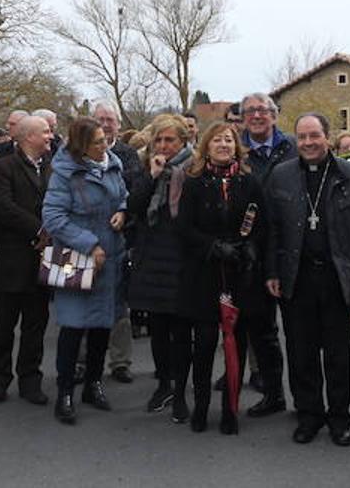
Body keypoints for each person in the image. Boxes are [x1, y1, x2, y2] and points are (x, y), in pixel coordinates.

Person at [264, 112, 350, 447]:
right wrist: (271, 271)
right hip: (297, 275)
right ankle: (309, 415)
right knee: (301, 352)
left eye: (314, 136)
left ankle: (339, 419)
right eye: (302, 137)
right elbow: (271, 229)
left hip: (337, 276)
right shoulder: (281, 176)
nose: (308, 143)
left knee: (338, 355)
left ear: (327, 137)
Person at [174, 122, 265, 434]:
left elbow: (260, 222)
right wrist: (213, 247)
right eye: (217, 140)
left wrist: (249, 247)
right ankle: (200, 406)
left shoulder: (248, 181)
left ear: (236, 145)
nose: (223, 145)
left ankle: (230, 409)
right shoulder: (195, 181)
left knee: (236, 343)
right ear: (207, 146)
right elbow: (184, 227)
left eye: (228, 140)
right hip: (204, 272)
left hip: (238, 272)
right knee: (205, 343)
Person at [43, 116, 128, 425]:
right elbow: (53, 217)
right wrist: (89, 243)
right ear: (81, 147)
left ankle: (94, 383)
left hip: (110, 259)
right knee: (73, 327)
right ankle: (65, 391)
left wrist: (122, 212)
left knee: (102, 326)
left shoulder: (113, 164)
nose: (103, 144)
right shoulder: (65, 172)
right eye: (96, 142)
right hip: (78, 259)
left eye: (104, 139)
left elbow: (123, 196)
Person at [128, 114, 194, 418]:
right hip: (151, 258)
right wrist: (152, 176)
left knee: (181, 330)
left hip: (182, 259)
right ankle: (163, 383)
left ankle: (180, 389)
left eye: (170, 140)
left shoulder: (194, 167)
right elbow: (134, 207)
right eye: (159, 140)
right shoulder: (145, 168)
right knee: (158, 329)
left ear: (183, 142)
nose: (164, 146)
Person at [0, 114, 54, 405]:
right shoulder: (3, 168)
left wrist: (52, 231)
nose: (51, 136)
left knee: (35, 325)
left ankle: (30, 379)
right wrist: (38, 229)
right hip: (10, 259)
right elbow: (2, 206)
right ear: (29, 137)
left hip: (42, 261)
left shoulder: (54, 169)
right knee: (3, 325)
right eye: (46, 132)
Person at [237, 91, 293, 415]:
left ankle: (306, 398)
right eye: (250, 111)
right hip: (251, 254)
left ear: (273, 115)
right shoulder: (236, 151)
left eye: (262, 110)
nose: (256, 116)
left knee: (298, 333)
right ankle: (273, 394)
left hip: (288, 249)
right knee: (261, 330)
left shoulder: (292, 149)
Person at [93, 101, 141, 384]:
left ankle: (120, 362)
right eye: (100, 119)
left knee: (119, 305)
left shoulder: (128, 154)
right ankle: (84, 361)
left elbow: (134, 191)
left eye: (110, 119)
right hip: (86, 241)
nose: (105, 124)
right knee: (84, 300)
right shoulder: (77, 153)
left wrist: (123, 213)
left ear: (118, 125)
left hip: (120, 238)